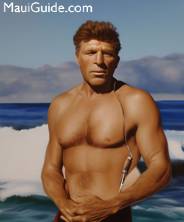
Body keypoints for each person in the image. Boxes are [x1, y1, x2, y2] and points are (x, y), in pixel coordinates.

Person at [41, 20, 171, 222]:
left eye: (107, 53)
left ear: (116, 61)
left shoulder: (136, 102)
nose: (99, 60)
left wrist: (112, 205)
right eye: (91, 53)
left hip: (112, 215)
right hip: (66, 216)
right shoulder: (60, 105)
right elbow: (50, 169)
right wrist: (63, 204)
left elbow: (161, 167)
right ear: (78, 57)